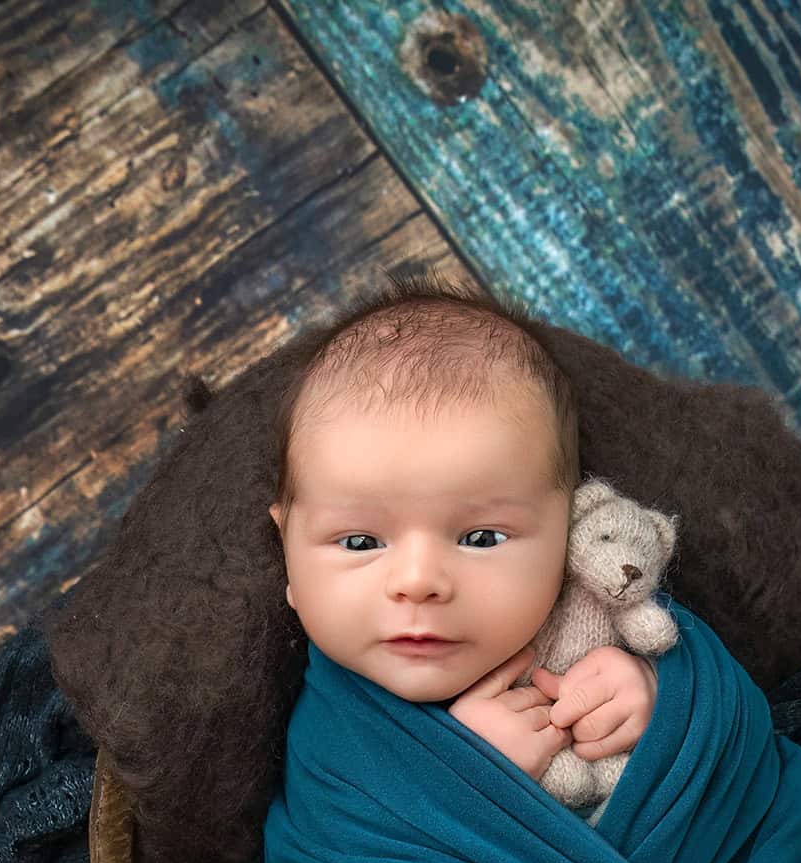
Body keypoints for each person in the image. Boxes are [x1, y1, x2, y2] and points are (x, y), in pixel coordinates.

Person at [266, 275, 658, 785]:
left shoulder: (606, 620)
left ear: (569, 525)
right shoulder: (325, 741)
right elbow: (334, 862)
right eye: (360, 542)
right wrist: (469, 782)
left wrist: (656, 696)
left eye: (481, 538)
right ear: (287, 549)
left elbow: (740, 739)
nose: (418, 581)